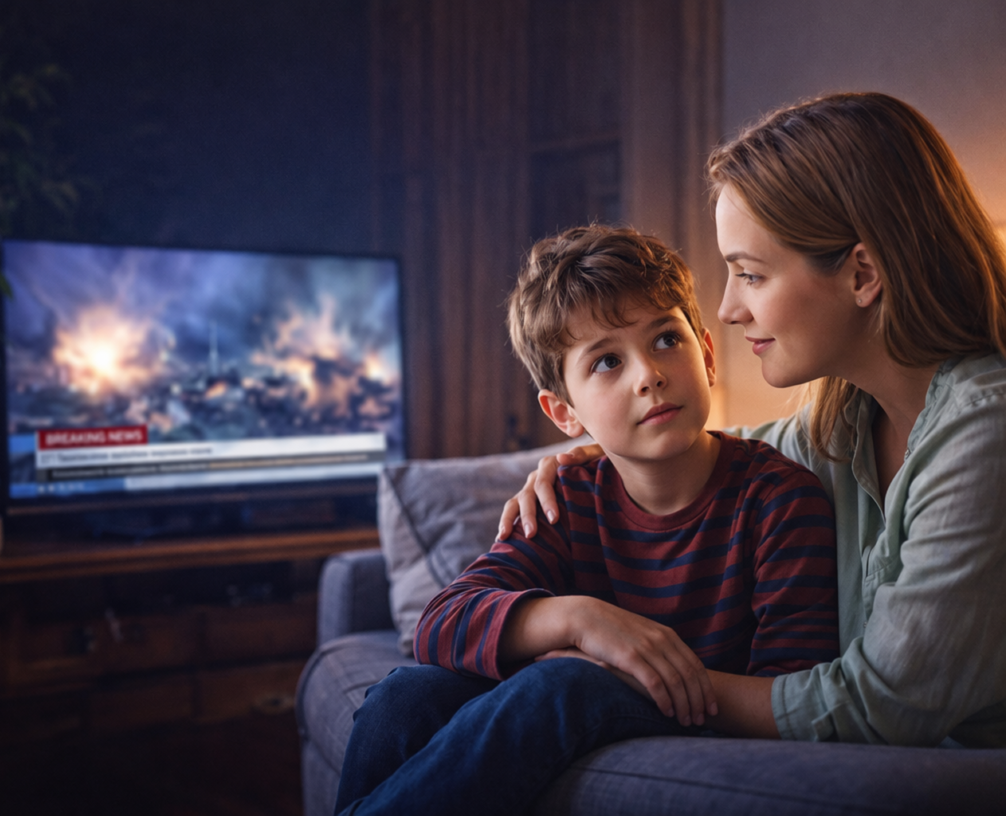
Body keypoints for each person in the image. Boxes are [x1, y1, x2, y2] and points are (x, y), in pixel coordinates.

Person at [501, 91, 1006, 748]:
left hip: (953, 779)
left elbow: (882, 706)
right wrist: (603, 452)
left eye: (751, 275)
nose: (728, 308)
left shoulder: (984, 433)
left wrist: (617, 671)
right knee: (419, 694)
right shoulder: (842, 417)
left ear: (862, 274)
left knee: (550, 698)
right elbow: (717, 452)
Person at [333, 225, 840, 815]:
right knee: (404, 695)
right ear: (564, 412)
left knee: (562, 685)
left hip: (693, 719)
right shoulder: (566, 498)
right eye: (606, 361)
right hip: (582, 693)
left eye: (666, 341)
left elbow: (793, 697)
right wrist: (578, 620)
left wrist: (620, 670)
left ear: (705, 353)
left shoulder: (778, 500)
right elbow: (440, 624)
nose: (647, 374)